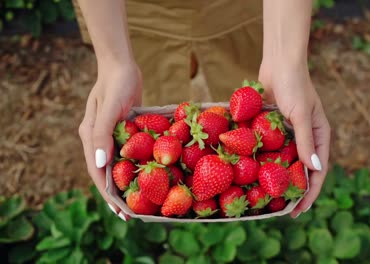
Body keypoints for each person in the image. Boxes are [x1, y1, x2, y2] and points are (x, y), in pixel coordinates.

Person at [77, 0, 331, 221]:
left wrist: (285, 59)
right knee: (150, 99)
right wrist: (115, 62)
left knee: (254, 95)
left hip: (252, 10)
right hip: (129, 14)